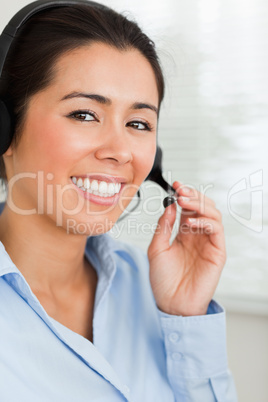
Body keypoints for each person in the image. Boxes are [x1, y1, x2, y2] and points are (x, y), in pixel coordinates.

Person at [0, 1, 238, 401]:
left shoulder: (150, 287)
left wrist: (185, 319)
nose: (121, 151)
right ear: (6, 129)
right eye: (84, 114)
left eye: (138, 123)